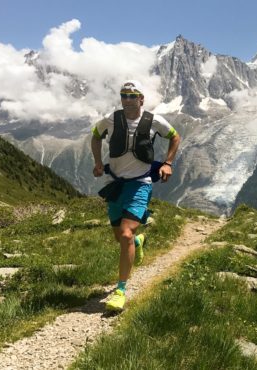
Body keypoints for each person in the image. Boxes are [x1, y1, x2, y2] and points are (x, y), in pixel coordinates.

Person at [91, 80, 180, 311]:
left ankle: (120, 290)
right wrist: (98, 163)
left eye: (133, 96)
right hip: (115, 183)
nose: (128, 100)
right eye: (124, 95)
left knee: (126, 232)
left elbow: (175, 136)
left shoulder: (154, 121)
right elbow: (95, 135)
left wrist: (168, 163)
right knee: (119, 237)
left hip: (140, 183)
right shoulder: (111, 119)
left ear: (141, 99)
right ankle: (138, 242)